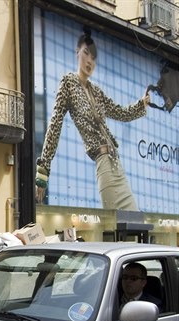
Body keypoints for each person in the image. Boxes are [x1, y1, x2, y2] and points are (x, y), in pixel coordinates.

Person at [36, 27, 150, 211]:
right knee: (117, 227)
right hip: (103, 163)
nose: (90, 61)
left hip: (117, 165)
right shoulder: (68, 83)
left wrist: (141, 104)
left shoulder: (96, 90)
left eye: (93, 58)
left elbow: (120, 112)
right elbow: (55, 124)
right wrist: (43, 171)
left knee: (135, 219)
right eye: (86, 53)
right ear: (77, 52)